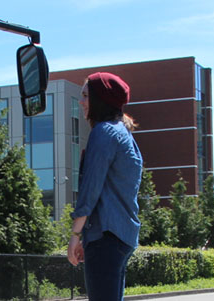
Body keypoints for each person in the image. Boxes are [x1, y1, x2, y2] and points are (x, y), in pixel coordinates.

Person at [66, 72, 143, 300]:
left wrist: (75, 234)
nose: (81, 101)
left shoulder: (104, 133)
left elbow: (91, 189)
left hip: (106, 236)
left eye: (86, 96)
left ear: (100, 100)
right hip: (119, 236)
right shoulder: (124, 134)